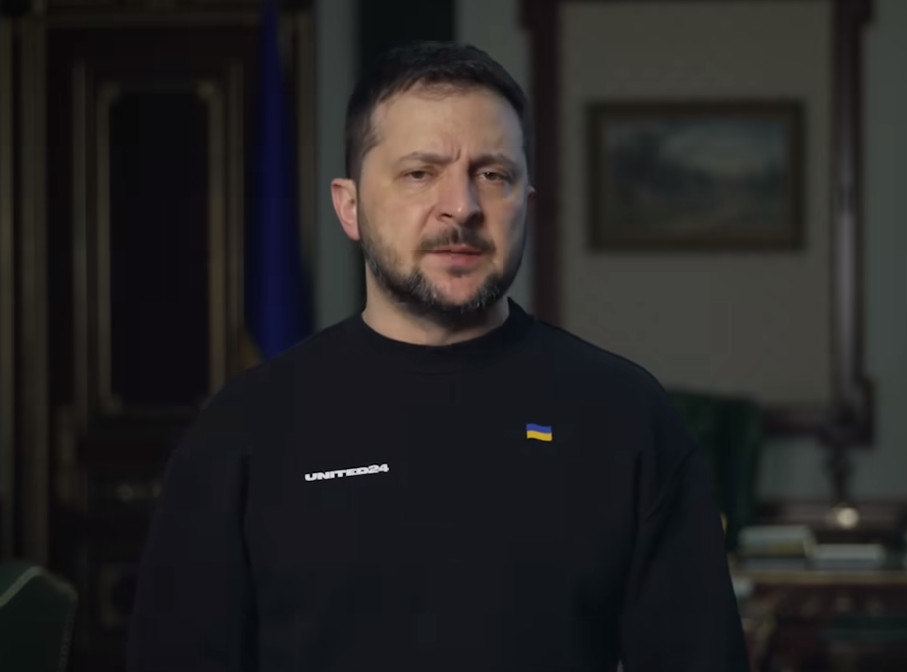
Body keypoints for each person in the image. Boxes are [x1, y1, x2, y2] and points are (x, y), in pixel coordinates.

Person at [126, 40, 749, 672]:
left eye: (493, 174)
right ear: (349, 207)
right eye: (420, 173)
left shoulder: (626, 416)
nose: (463, 207)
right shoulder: (244, 428)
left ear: (527, 205)